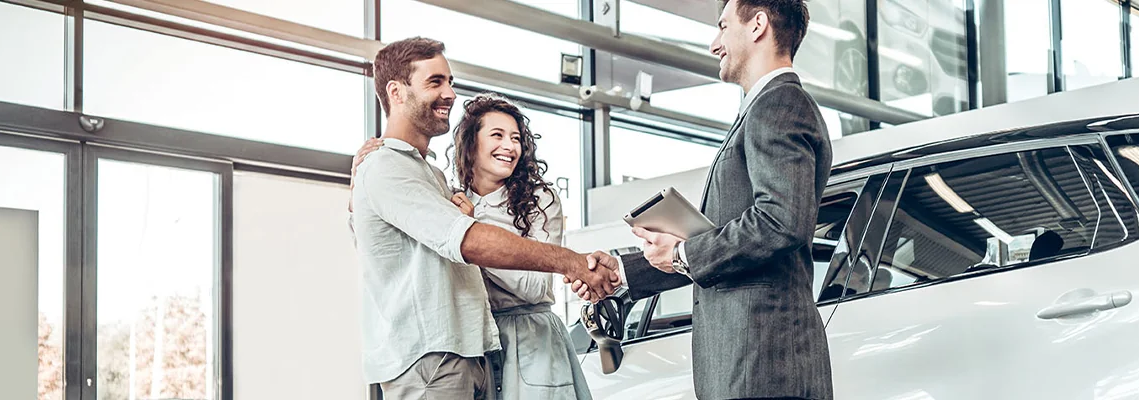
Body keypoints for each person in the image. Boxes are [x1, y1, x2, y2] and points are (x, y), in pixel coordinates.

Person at [573, 1, 833, 399]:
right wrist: (625, 272)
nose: (715, 44)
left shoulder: (779, 104)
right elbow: (726, 242)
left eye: (723, 27)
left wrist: (683, 254)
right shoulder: (765, 108)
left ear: (758, 24)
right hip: (747, 367)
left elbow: (782, 220)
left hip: (766, 367)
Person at [351, 37, 619, 400]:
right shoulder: (386, 166)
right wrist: (574, 263)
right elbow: (468, 242)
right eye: (435, 82)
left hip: (469, 353)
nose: (450, 93)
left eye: (450, 82)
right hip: (431, 358)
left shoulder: (433, 177)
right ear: (396, 92)